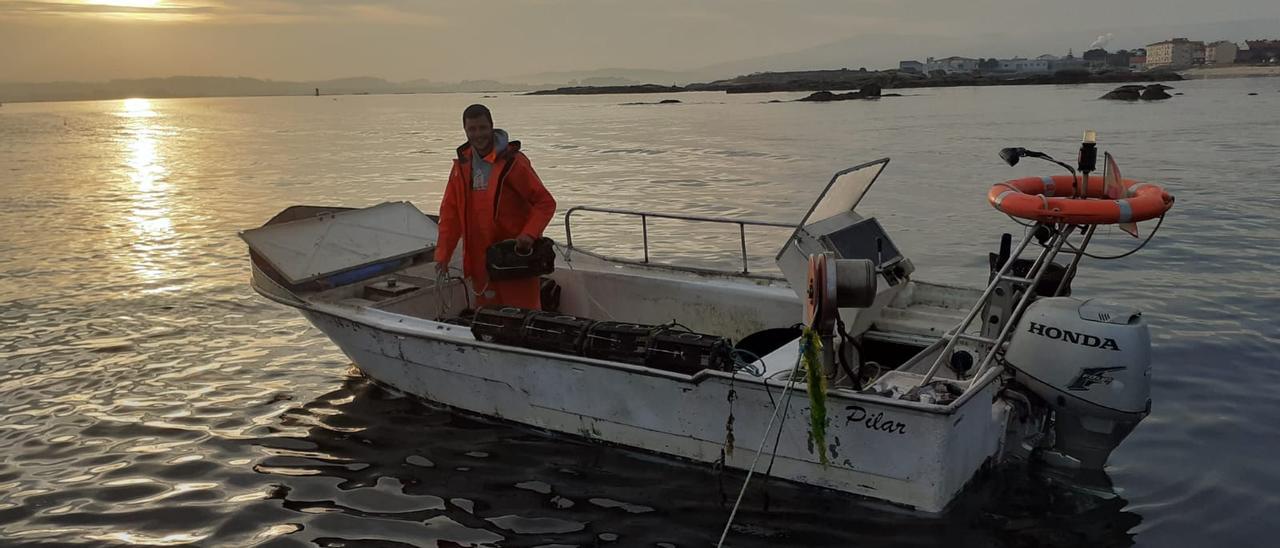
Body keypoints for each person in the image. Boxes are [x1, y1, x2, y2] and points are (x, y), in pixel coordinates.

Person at [434, 104, 556, 309]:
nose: (478, 134)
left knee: (523, 318)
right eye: (472, 129)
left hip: (515, 258)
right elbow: (450, 216)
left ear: (491, 127)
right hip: (481, 261)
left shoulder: (513, 163)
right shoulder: (461, 168)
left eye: (482, 128)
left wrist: (529, 234)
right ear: (465, 131)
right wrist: (443, 256)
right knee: (489, 321)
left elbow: (545, 203)